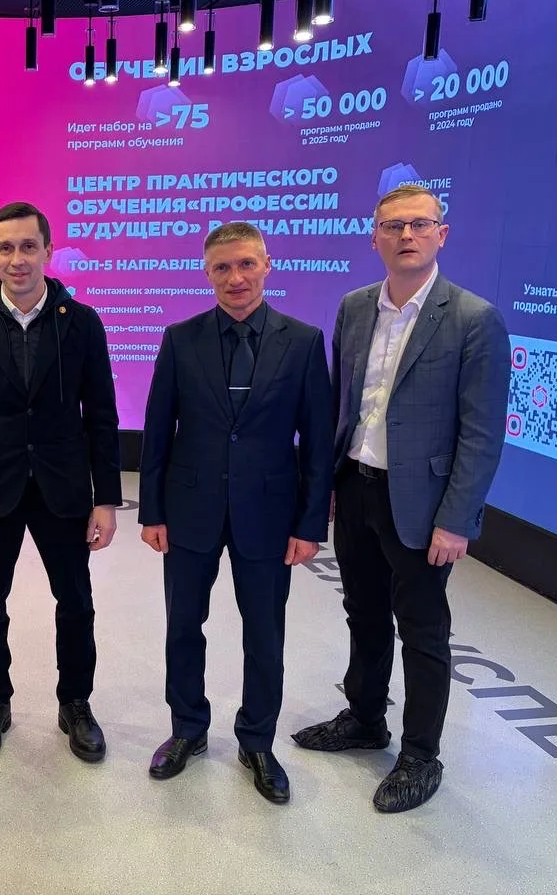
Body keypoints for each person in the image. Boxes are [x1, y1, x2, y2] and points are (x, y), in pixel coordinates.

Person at [292, 185, 510, 813]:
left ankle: (420, 752)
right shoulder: (355, 307)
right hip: (357, 486)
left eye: (419, 224)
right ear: (374, 237)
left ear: (442, 233)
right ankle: (365, 718)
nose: (406, 235)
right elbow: (344, 402)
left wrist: (457, 520)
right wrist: (327, 487)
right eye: (392, 226)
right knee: (362, 611)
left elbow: (481, 433)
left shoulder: (473, 318)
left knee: (422, 627)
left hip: (422, 505)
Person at [138, 221, 332, 803]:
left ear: (267, 265)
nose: (236, 278)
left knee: (264, 633)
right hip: (190, 508)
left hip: (269, 514)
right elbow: (157, 431)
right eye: (222, 267)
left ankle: (257, 741)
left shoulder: (303, 342)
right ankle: (187, 729)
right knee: (183, 626)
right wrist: (152, 512)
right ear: (207, 273)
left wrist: (310, 524)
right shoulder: (180, 339)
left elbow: (317, 442)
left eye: (247, 264)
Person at [0, 201, 121, 764]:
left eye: (28, 246)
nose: (17, 259)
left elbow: (102, 415)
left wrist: (107, 498)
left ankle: (76, 703)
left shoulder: (82, 322)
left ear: (48, 250)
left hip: (62, 487)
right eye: (6, 248)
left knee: (76, 600)